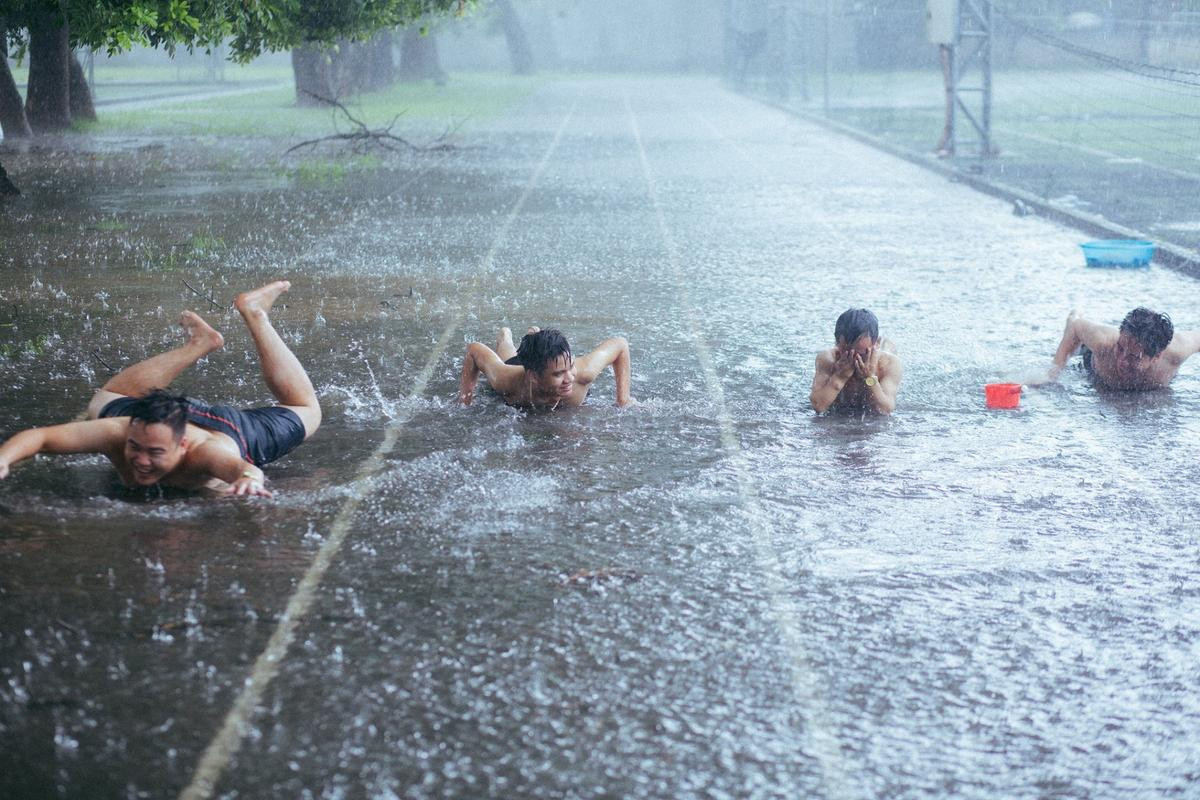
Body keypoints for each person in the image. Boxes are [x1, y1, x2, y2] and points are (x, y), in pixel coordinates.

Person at [0, 281, 321, 497]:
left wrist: (247, 483)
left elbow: (245, 469)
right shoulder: (118, 431)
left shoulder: (206, 454)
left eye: (154, 453)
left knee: (307, 409)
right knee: (107, 400)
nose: (139, 460)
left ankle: (255, 313)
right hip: (168, 416)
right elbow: (40, 437)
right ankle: (200, 343)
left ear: (181, 446)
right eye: (135, 447)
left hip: (232, 431)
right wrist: (3, 458)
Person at [459, 327, 632, 409]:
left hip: (553, 361)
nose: (570, 378)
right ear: (534, 376)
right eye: (559, 375)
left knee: (561, 364)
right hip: (521, 368)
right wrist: (465, 402)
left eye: (569, 369)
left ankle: (534, 338)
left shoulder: (583, 373)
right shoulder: (505, 379)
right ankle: (506, 335)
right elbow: (474, 350)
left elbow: (620, 345)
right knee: (508, 353)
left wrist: (623, 401)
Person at [1046, 308, 1200, 390]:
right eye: (1120, 349)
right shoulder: (1104, 342)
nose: (1122, 361)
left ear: (1156, 356)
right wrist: (1054, 372)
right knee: (1075, 321)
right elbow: (1076, 326)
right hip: (1094, 358)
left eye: (1134, 357)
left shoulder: (1176, 353)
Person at [810, 308, 902, 415]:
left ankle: (886, 344)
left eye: (863, 353)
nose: (855, 359)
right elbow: (818, 406)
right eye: (848, 353)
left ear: (875, 344)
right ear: (836, 343)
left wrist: (870, 378)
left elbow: (886, 409)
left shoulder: (889, 363)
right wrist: (839, 377)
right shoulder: (828, 359)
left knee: (887, 349)